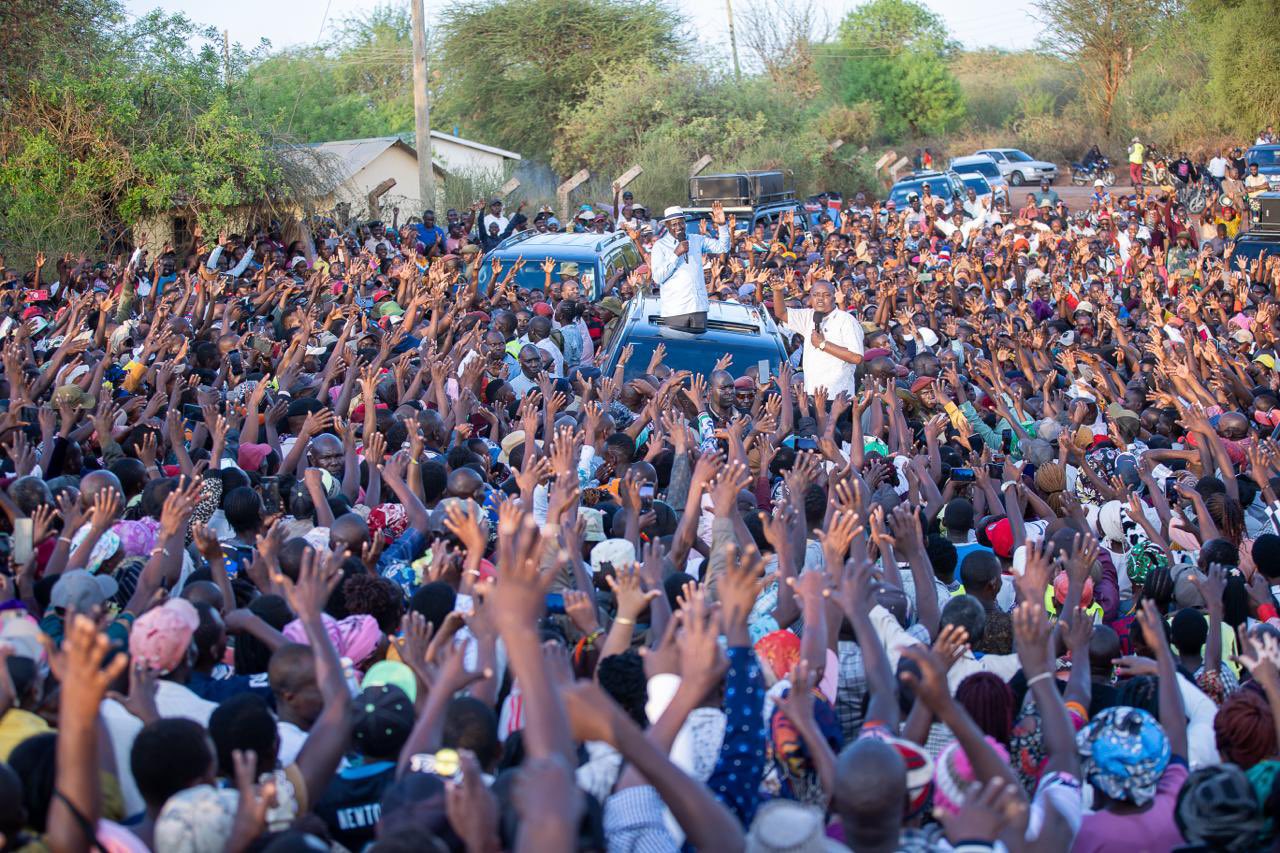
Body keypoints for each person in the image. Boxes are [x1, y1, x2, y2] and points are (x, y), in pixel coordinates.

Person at [650, 202, 730, 331]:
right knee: (678, 344)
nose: (679, 227)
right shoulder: (660, 246)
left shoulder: (696, 240)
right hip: (675, 311)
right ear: (667, 226)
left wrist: (722, 225)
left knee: (699, 344)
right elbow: (658, 278)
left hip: (698, 308)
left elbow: (723, 247)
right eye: (674, 224)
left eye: (681, 223)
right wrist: (676, 254)